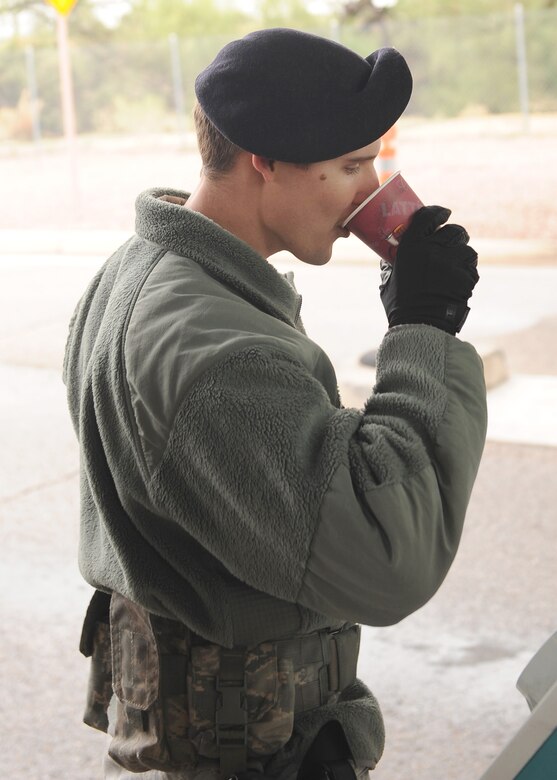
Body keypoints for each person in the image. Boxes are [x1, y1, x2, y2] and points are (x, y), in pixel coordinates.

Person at [63, 27, 487, 780]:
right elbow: (389, 558)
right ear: (263, 159)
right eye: (350, 165)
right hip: (241, 752)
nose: (368, 192)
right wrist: (422, 331)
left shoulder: (141, 270)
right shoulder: (219, 352)